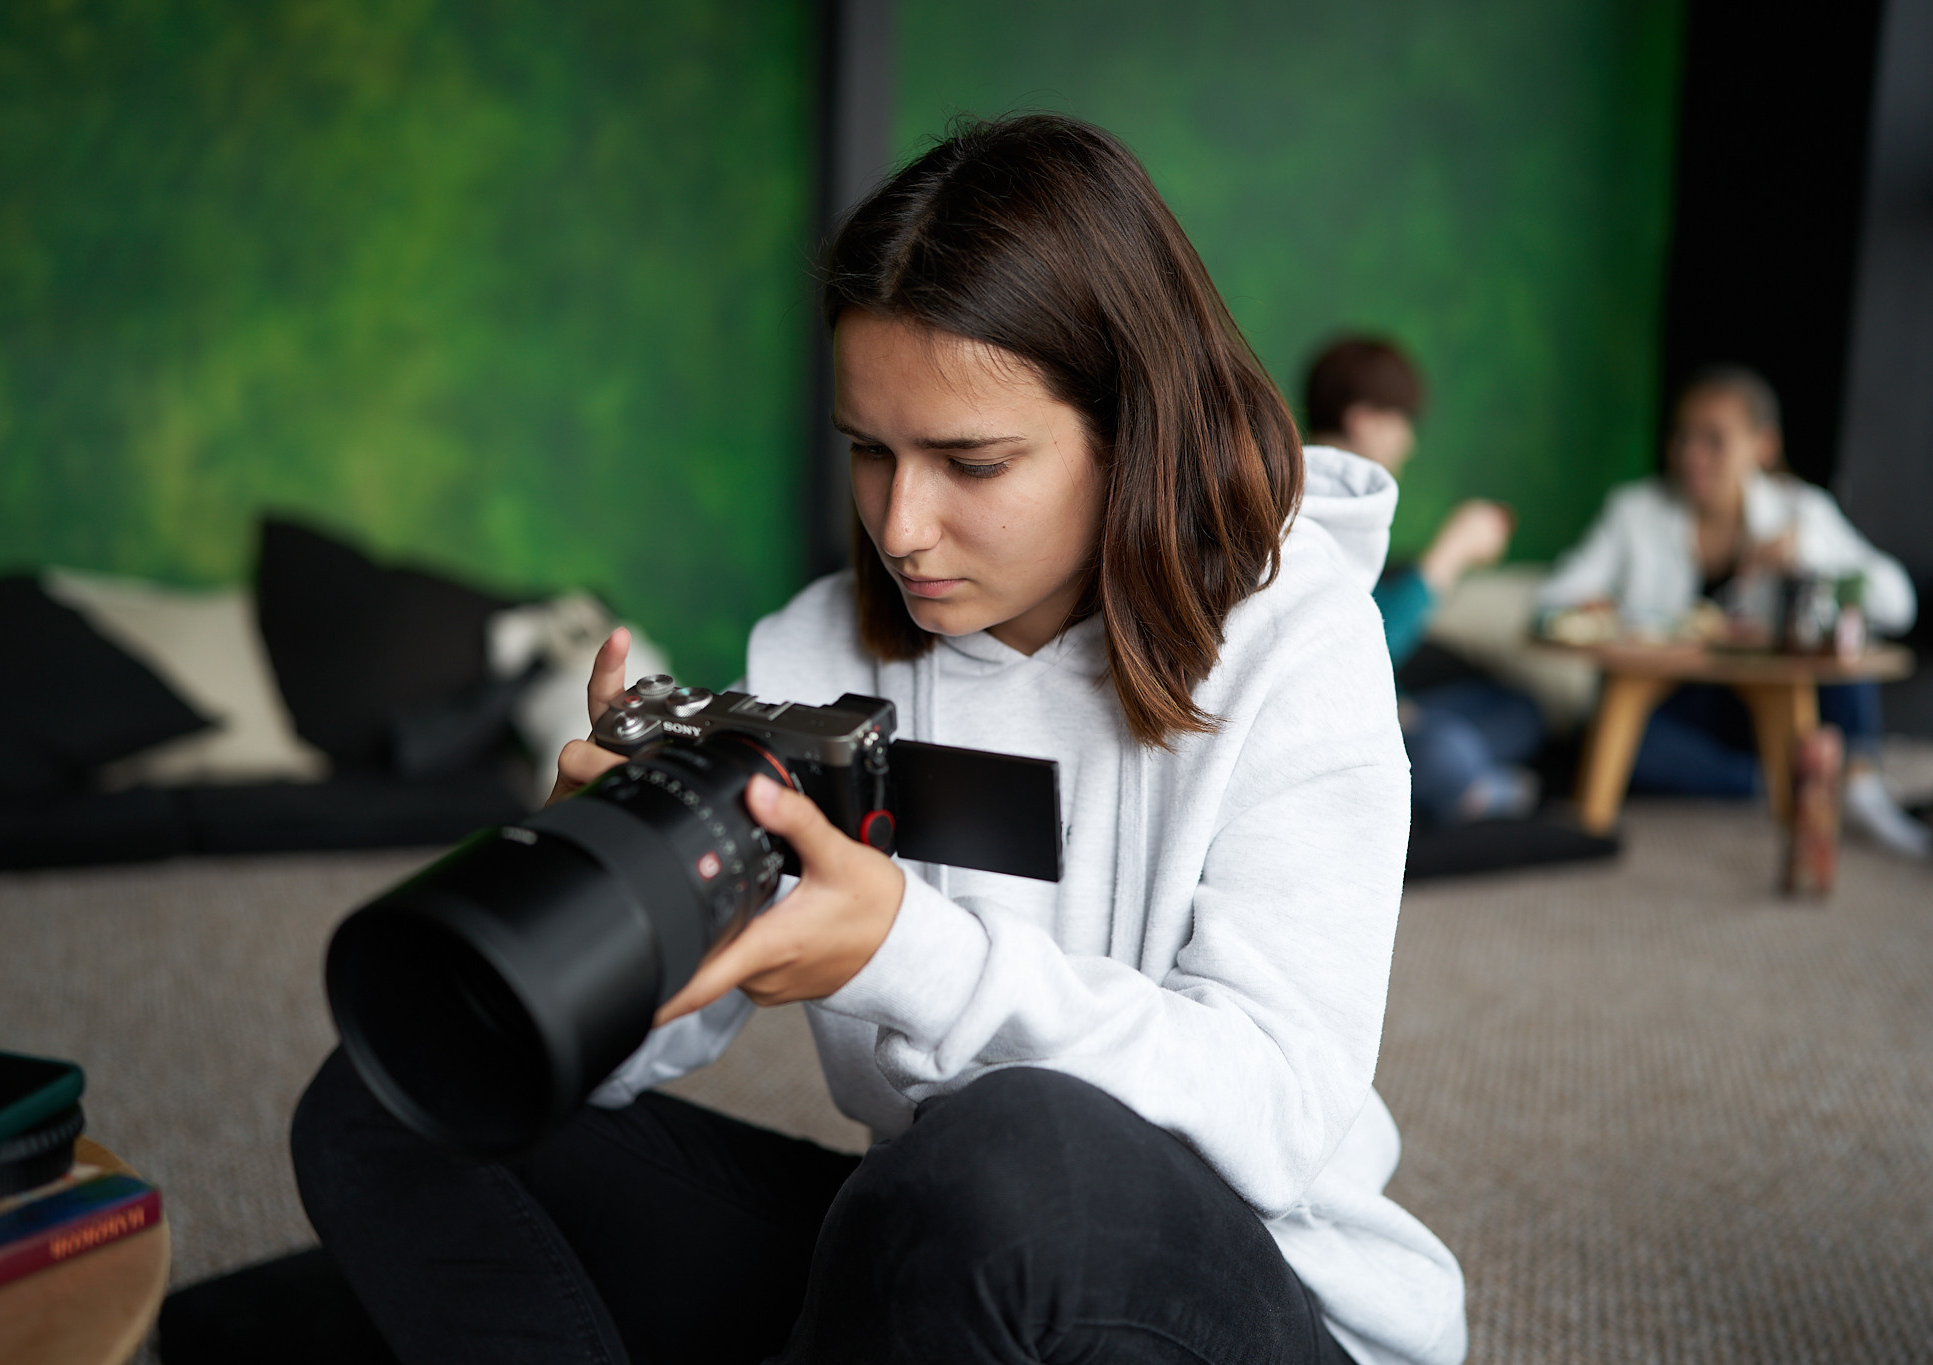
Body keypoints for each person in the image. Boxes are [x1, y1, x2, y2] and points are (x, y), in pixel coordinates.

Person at [292, 115, 1464, 1365]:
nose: (901, 526)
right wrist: (612, 884)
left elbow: (1276, 1112)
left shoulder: (1299, 643)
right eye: (869, 453)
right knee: (397, 1087)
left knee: (1010, 1151)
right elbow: (631, 1062)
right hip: (925, 1258)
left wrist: (906, 952)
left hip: (1231, 1291)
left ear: (1129, 431)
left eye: (971, 462)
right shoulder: (815, 656)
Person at [1536, 364, 1925, 856]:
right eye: (1684, 437)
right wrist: (1595, 607)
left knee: (1841, 642)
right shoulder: (1636, 511)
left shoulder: (1801, 512)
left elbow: (1897, 603)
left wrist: (1810, 557)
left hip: (1774, 689)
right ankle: (1776, 779)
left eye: (1714, 440)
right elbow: (1552, 598)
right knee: (1612, 739)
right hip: (1682, 697)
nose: (1691, 455)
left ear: (1763, 446)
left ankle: (1860, 785)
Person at [1305, 337, 1544, 825]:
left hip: (1387, 707)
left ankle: (1463, 785)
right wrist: (1450, 552)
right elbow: (1358, 650)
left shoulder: (1356, 503)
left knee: (1521, 711)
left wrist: (1396, 707)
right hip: (1329, 728)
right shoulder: (1309, 505)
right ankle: (1469, 790)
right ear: (1363, 421)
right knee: (1447, 752)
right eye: (1402, 422)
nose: (1408, 442)